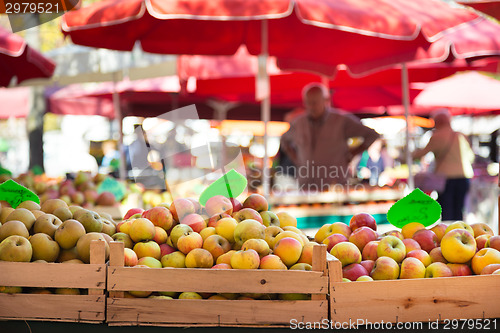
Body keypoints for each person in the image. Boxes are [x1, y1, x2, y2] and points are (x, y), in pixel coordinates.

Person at [280, 83, 380, 191]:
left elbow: (372, 135)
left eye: (314, 102)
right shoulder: (299, 123)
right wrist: (297, 159)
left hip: (335, 184)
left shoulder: (341, 120)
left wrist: (353, 153)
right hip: (306, 184)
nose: (311, 107)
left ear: (326, 100)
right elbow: (284, 141)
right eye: (308, 103)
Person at [412, 108, 474, 221]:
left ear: (438, 121)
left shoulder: (437, 136)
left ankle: (449, 235)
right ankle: (460, 232)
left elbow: (420, 154)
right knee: (459, 210)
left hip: (446, 179)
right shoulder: (461, 135)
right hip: (464, 176)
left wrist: (405, 155)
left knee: (447, 211)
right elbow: (471, 157)